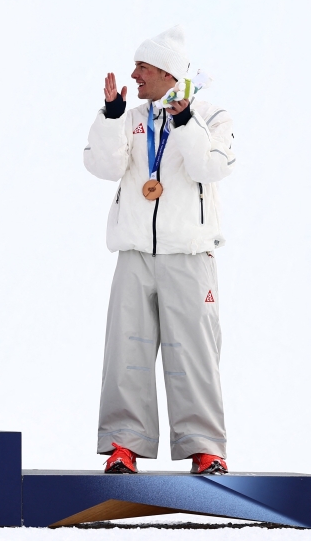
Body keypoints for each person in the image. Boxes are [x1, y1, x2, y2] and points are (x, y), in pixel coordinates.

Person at [83, 26, 235, 475]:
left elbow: (210, 167)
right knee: (125, 354)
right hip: (135, 254)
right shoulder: (131, 117)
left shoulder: (212, 115)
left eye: (142, 67)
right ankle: (123, 445)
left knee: (193, 354)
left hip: (189, 255)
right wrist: (111, 116)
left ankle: (205, 448)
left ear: (169, 73)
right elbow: (103, 165)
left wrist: (185, 122)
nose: (133, 75)